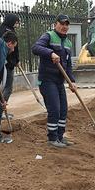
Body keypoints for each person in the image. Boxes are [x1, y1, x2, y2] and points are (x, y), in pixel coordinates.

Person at [32, 15, 75, 148]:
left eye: (66, 24)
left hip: (59, 81)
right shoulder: (48, 36)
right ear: (55, 24)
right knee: (55, 109)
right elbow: (36, 48)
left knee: (63, 110)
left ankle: (60, 137)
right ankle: (52, 138)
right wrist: (50, 53)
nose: (64, 27)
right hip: (47, 80)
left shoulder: (68, 43)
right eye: (62, 24)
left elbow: (68, 65)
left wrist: (71, 81)